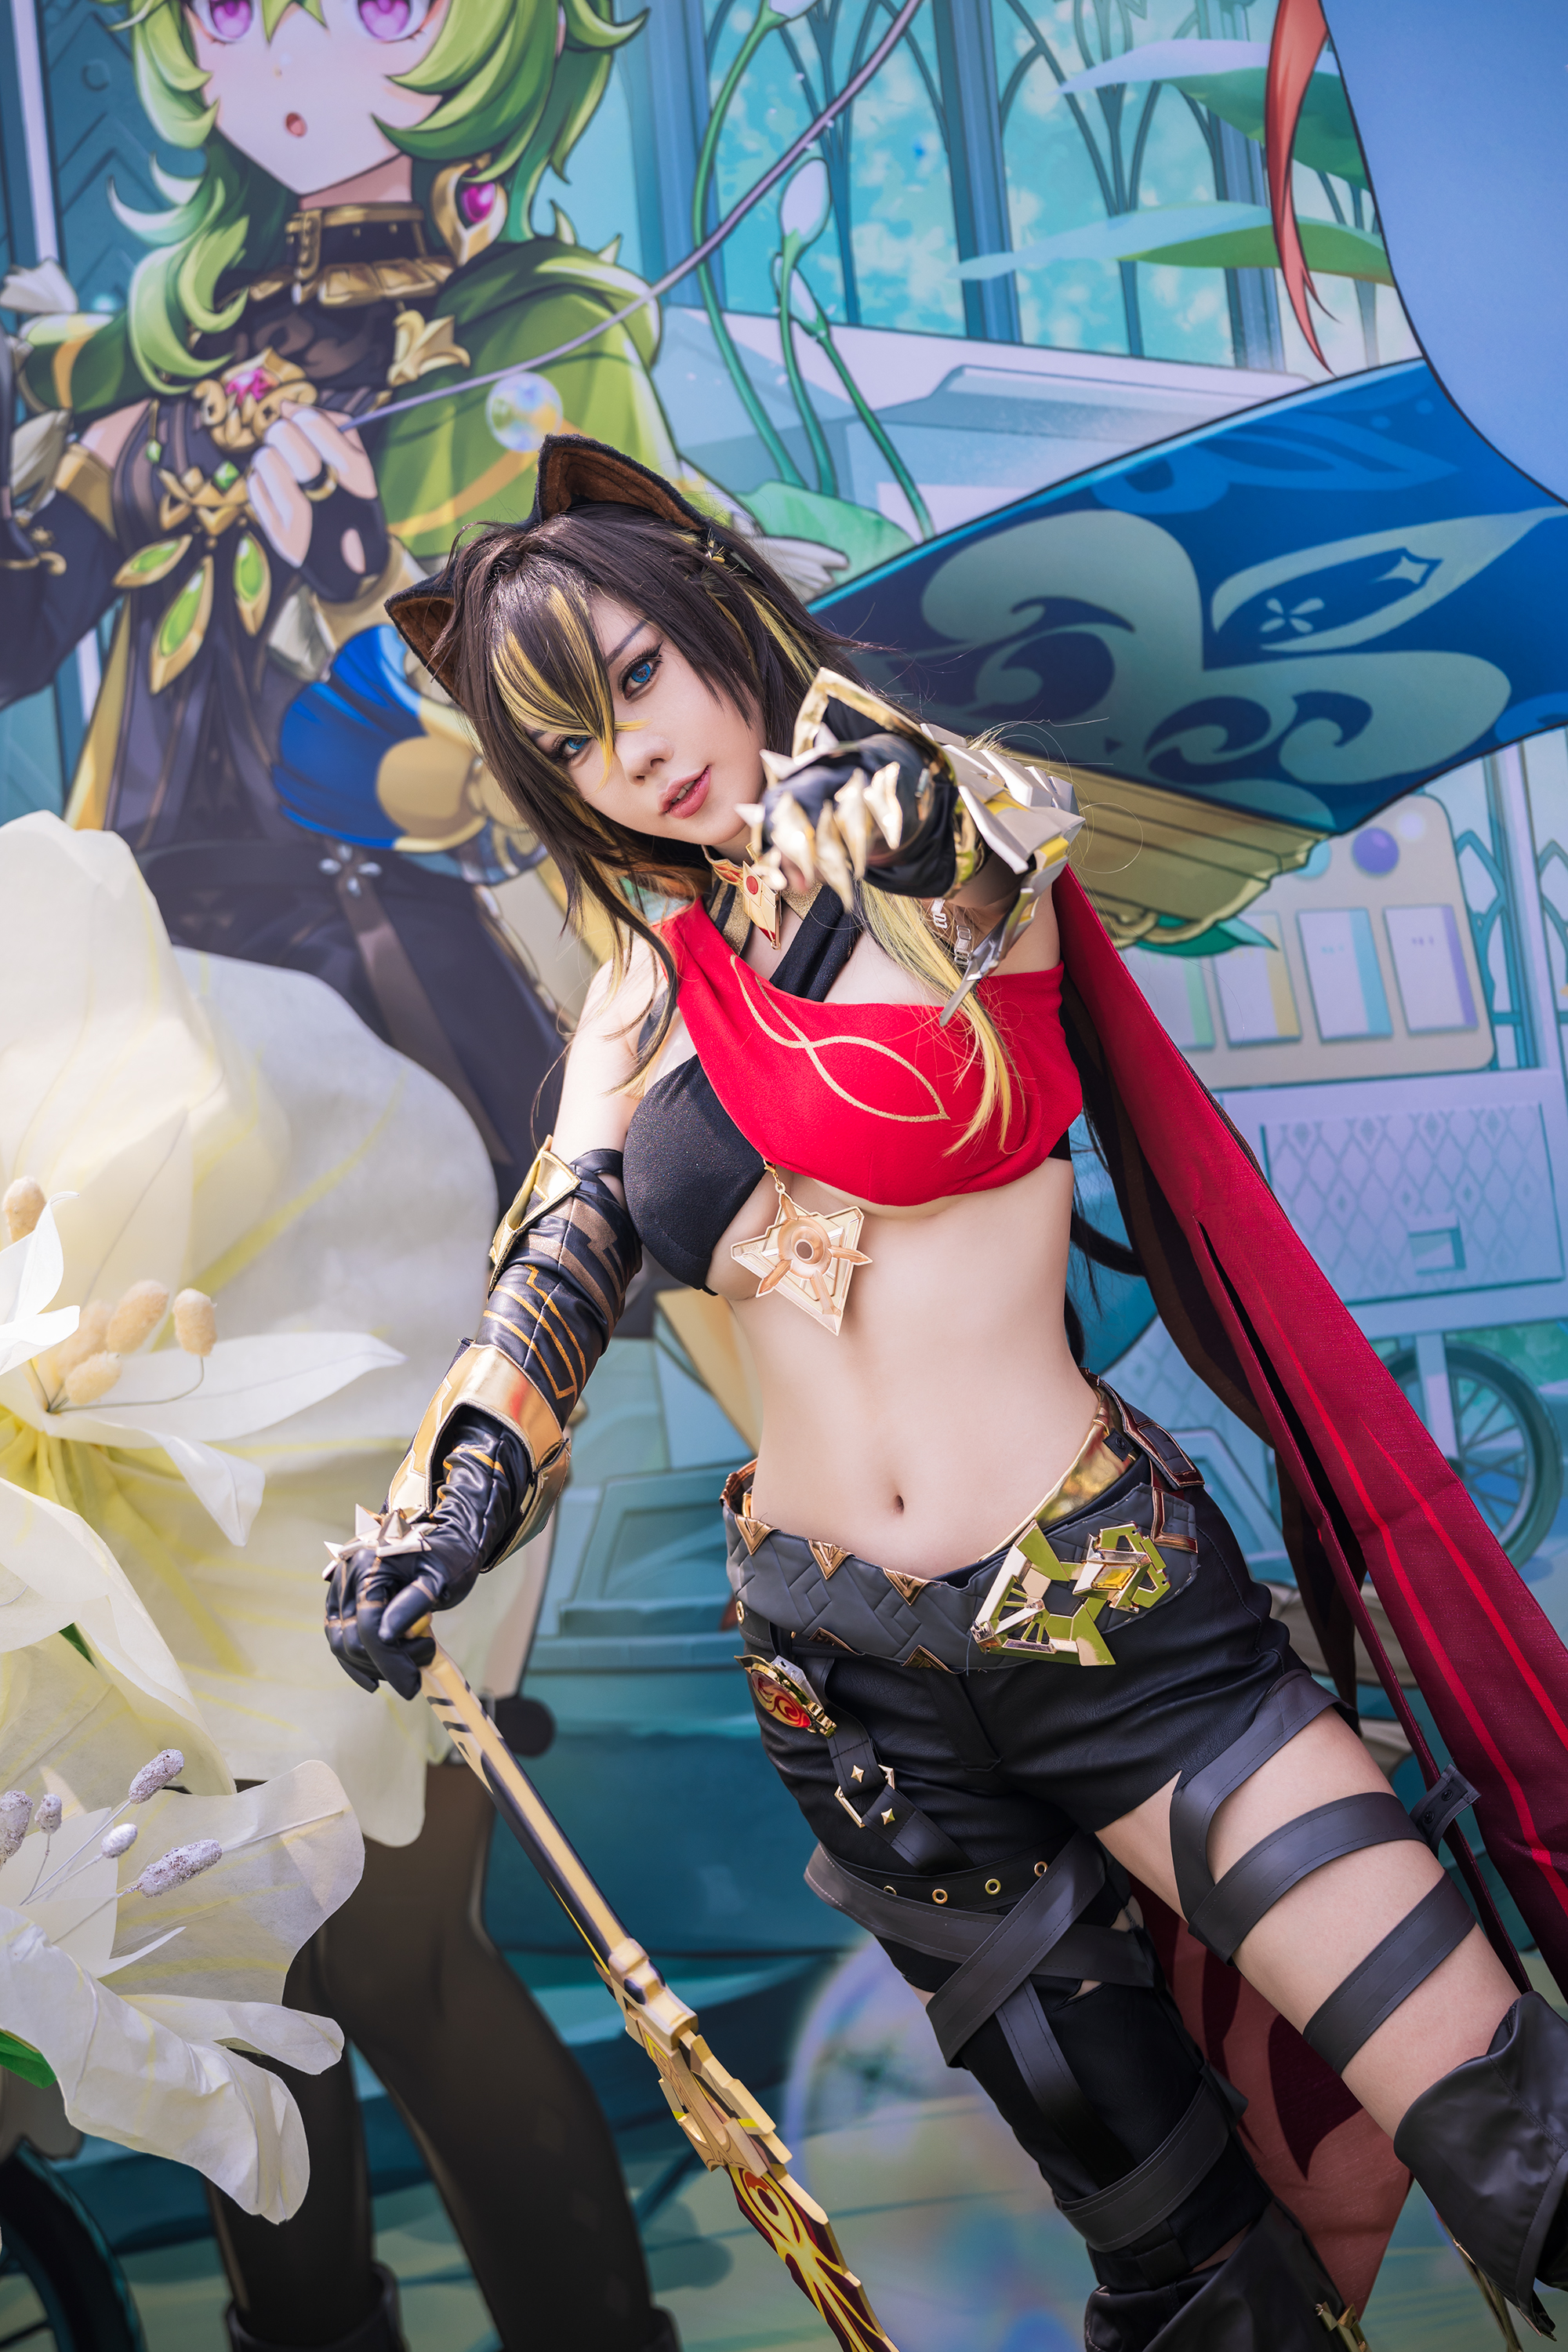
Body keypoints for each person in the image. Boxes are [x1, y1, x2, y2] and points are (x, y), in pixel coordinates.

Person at [325, 433, 1568, 2352]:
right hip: (851, 1694)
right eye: (571, 741)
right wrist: (454, 1506)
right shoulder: (640, 994)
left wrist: (867, 803)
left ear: (714, 621)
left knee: (1515, 2141)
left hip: (1111, 1620)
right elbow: (558, 1264)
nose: (632, 754)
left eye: (640, 674)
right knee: (1182, 2281)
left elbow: (951, 830)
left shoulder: (954, 849)